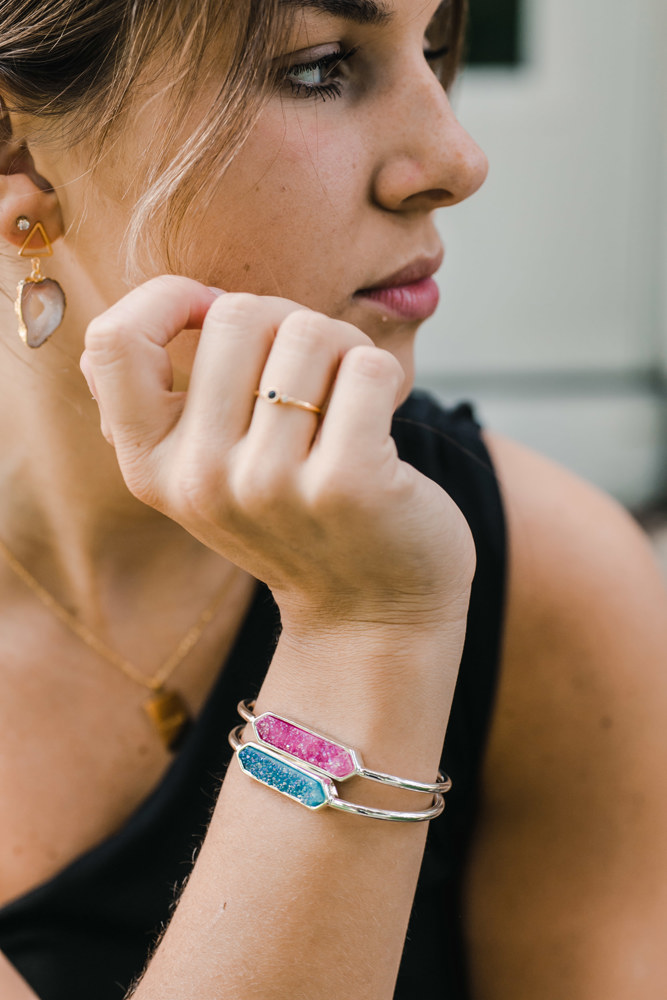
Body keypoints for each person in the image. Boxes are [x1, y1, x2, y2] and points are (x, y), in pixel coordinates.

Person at [0, 1, 666, 998]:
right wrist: (365, 630)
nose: (456, 157)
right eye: (322, 66)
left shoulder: (549, 583)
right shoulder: (423, 581)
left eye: (434, 47)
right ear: (20, 152)